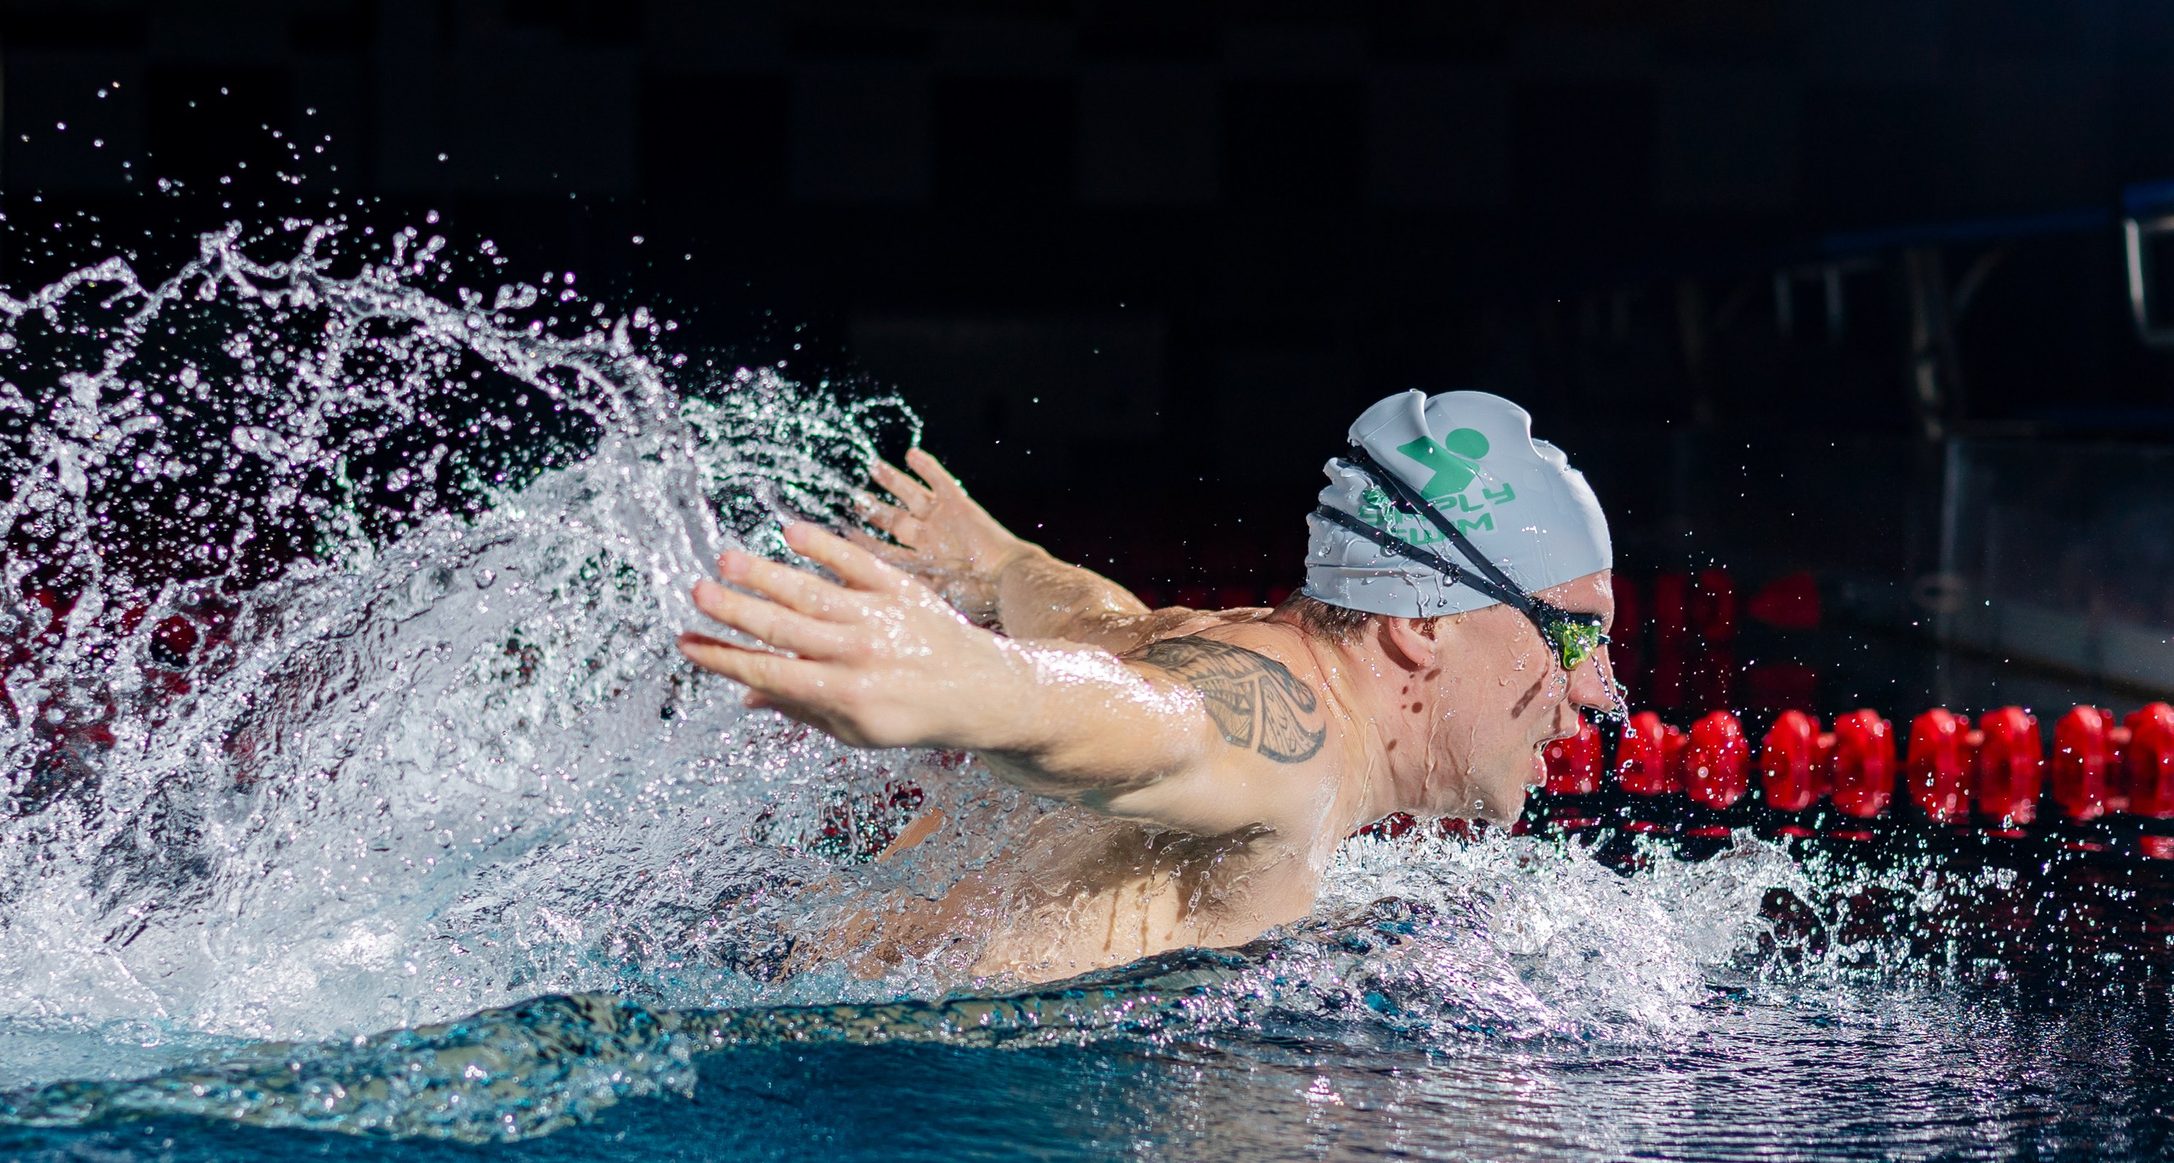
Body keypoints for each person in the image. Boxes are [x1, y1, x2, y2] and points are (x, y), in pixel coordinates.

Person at [679, 389, 1624, 986]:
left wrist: (1002, 559)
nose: (1600, 691)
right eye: (1574, 634)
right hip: (849, 1068)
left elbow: (1093, 617)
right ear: (1422, 624)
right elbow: (1164, 727)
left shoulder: (1200, 639)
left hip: (774, 964)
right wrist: (978, 684)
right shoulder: (1306, 749)